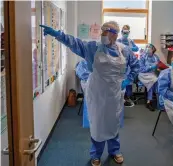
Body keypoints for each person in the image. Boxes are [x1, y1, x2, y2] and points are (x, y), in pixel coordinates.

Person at [40, 20, 140, 166]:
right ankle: (96, 154)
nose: (103, 35)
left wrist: (128, 80)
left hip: (115, 92)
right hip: (97, 92)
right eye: (103, 31)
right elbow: (74, 42)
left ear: (115, 34)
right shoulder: (93, 47)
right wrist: (57, 34)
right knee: (98, 124)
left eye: (107, 32)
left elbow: (136, 66)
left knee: (113, 122)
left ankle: (115, 151)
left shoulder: (124, 50)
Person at [117, 25, 139, 107]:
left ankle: (127, 97)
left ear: (129, 32)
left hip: (129, 63)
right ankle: (120, 98)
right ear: (121, 32)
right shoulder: (118, 40)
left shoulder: (130, 41)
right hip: (120, 63)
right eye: (124, 32)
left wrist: (131, 48)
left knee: (128, 81)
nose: (125, 33)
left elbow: (136, 48)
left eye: (127, 32)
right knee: (121, 80)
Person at [139, 43, 160, 111]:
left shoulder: (156, 57)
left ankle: (158, 101)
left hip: (152, 74)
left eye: (150, 47)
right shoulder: (143, 57)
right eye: (147, 47)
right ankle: (149, 102)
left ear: (153, 49)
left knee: (157, 82)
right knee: (153, 81)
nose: (148, 48)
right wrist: (150, 67)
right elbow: (141, 69)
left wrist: (158, 67)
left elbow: (158, 65)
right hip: (143, 75)